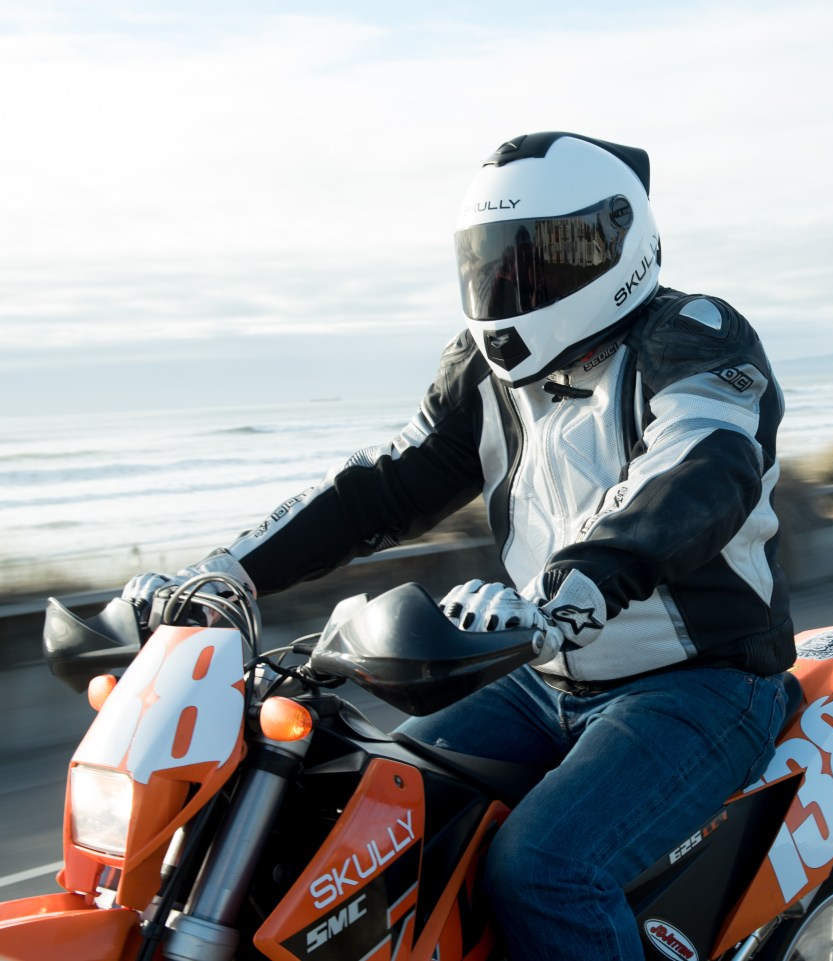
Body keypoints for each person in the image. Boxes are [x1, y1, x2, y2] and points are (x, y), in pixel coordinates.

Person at [121, 131, 794, 961]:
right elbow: (380, 489)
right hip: (539, 679)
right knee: (379, 813)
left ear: (617, 241)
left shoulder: (693, 337)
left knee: (544, 867)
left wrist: (581, 581)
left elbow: (699, 468)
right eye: (495, 261)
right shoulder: (484, 374)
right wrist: (226, 573)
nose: (513, 284)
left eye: (543, 256)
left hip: (703, 686)